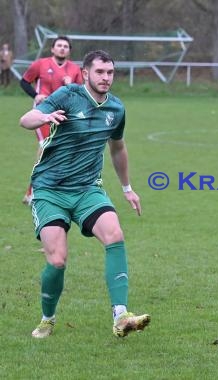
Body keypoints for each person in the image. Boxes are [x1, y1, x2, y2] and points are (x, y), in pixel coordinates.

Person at [19, 49, 150, 339]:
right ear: (86, 72)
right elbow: (26, 119)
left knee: (115, 235)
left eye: (110, 72)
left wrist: (127, 188)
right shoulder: (68, 96)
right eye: (100, 72)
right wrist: (43, 116)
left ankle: (121, 316)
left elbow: (118, 148)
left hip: (88, 189)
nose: (106, 78)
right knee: (57, 260)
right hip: (50, 190)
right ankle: (47, 319)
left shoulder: (116, 109)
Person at [19, 36, 83, 205]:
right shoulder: (40, 64)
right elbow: (24, 82)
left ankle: (38, 191)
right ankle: (34, 192)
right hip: (42, 114)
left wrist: (71, 85)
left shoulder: (75, 70)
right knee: (46, 149)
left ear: (69, 50)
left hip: (64, 116)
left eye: (66, 46)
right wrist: (36, 95)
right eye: (59, 45)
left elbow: (81, 93)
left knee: (60, 153)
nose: (62, 48)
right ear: (52, 49)